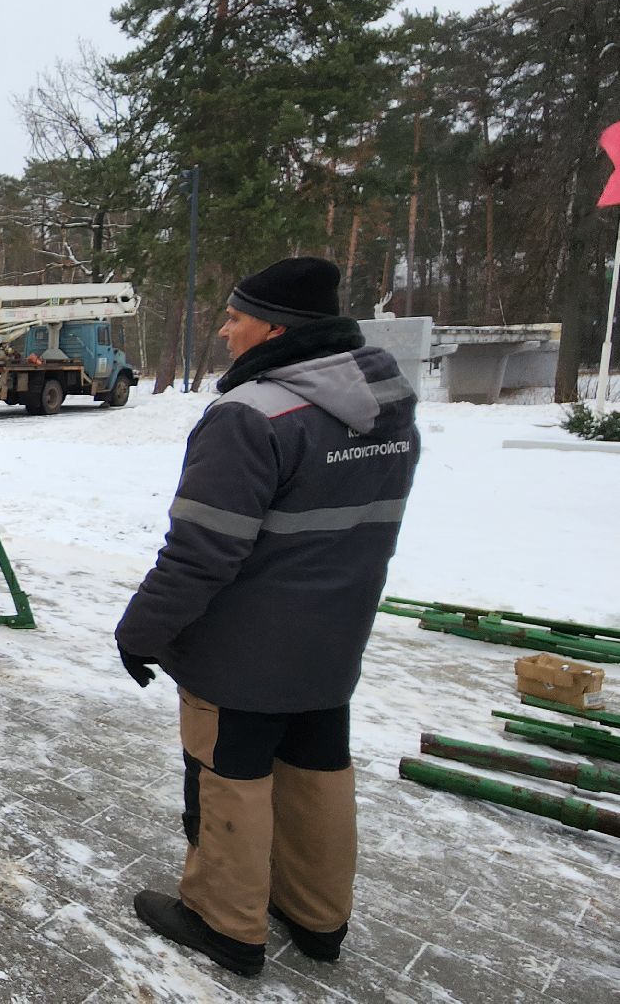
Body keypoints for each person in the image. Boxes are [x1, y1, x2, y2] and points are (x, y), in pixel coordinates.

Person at [114, 256, 420, 977]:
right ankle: (318, 918)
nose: (225, 331)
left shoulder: (251, 416)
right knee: (318, 771)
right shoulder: (389, 407)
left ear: (277, 328)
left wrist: (141, 632)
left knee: (231, 777)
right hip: (335, 642)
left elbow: (199, 553)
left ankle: (226, 922)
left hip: (242, 651)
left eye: (235, 317)